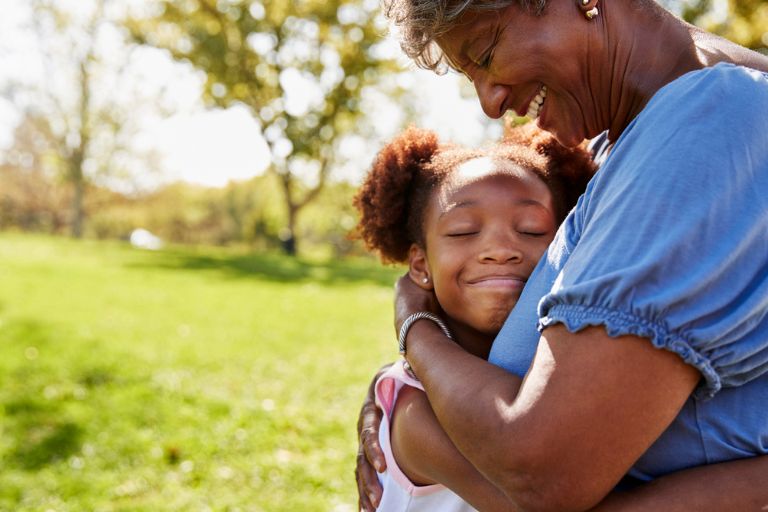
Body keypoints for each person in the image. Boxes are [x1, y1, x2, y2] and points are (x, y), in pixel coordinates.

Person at [355, 0, 768, 511]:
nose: (489, 102)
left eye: (485, 54)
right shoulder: (609, 151)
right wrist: (399, 389)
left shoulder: (707, 125)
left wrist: (413, 326)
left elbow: (541, 471)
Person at [354, 124, 595, 510]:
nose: (500, 249)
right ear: (420, 264)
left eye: (531, 230)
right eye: (464, 231)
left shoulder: (561, 362)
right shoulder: (415, 410)